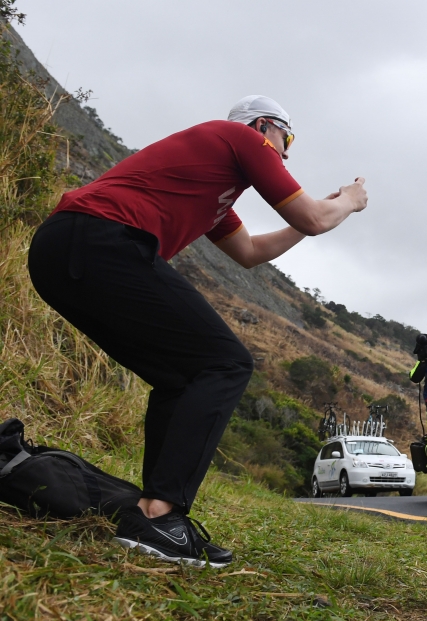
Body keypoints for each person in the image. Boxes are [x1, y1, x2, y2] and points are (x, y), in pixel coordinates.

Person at [28, 95, 368, 567]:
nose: (286, 153)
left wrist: (318, 217)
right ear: (265, 126)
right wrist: (348, 202)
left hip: (63, 253)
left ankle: (151, 516)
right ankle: (161, 516)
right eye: (286, 138)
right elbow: (310, 216)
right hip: (100, 237)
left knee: (182, 376)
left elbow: (249, 251)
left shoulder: (216, 192)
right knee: (226, 362)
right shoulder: (238, 136)